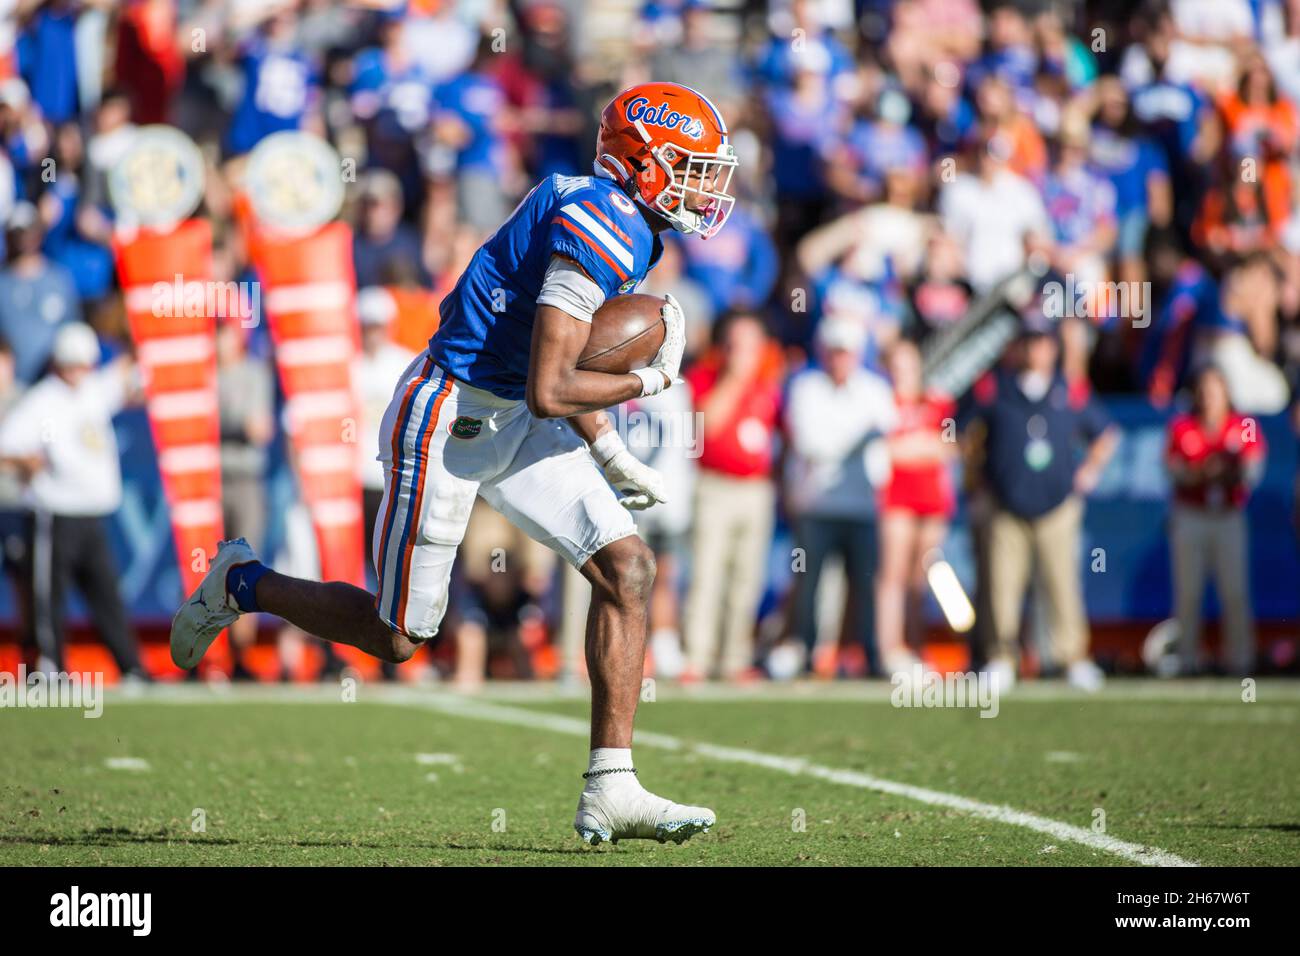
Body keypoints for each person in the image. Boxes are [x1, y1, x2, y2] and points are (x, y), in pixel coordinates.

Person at [172, 82, 738, 846]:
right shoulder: (600, 220)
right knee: (400, 635)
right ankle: (242, 582)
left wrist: (607, 448)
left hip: (509, 410)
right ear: (643, 162)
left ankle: (612, 786)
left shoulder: (617, 214)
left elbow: (552, 366)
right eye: (692, 166)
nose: (707, 185)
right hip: (449, 415)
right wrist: (654, 378)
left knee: (627, 569)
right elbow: (550, 386)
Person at [968, 316, 1118, 692]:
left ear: (1053, 348)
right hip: (1006, 505)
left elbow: (1106, 433)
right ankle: (1001, 658)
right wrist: (976, 482)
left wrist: (1089, 471)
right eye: (1029, 342)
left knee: (1062, 584)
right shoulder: (995, 390)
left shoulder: (1071, 391)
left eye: (1043, 343)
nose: (1036, 350)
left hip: (1058, 506)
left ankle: (1072, 657)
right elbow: (965, 434)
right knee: (1001, 587)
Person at [0, 323, 147, 680]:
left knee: (106, 595)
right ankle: (50, 667)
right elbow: (7, 446)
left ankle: (131, 667)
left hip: (92, 516)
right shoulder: (43, 400)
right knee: (49, 598)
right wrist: (27, 463)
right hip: (56, 513)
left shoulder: (93, 391)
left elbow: (130, 376)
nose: (78, 371)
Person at [783, 318, 896, 675]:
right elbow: (809, 444)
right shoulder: (806, 387)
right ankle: (805, 651)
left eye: (846, 352)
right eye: (834, 351)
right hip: (816, 505)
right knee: (809, 584)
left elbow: (886, 438)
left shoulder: (875, 389)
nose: (840, 359)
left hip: (862, 506)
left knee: (865, 584)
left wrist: (850, 443)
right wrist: (859, 440)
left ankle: (868, 655)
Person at [681, 311, 782, 681]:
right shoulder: (705, 378)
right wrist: (735, 379)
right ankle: (697, 656)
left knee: (746, 579)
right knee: (706, 573)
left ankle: (734, 658)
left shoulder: (769, 384)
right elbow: (708, 426)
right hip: (714, 487)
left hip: (756, 489)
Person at [1165, 364, 1265, 675]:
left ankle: (1240, 661)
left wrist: (1227, 472)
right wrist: (1200, 473)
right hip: (1191, 514)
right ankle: (1187, 660)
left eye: (1215, 390)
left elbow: (1252, 469)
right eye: (1204, 390)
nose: (1209, 397)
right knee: (1188, 591)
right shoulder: (1183, 427)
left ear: (1226, 393)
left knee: (1234, 591)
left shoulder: (1243, 425)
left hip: (1228, 515)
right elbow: (1173, 469)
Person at [876, 339, 956, 677]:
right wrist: (921, 447)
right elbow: (886, 451)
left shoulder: (937, 402)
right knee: (892, 574)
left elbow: (950, 448)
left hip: (932, 499)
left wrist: (915, 447)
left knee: (920, 579)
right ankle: (890, 650)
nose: (902, 373)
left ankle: (916, 647)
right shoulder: (881, 402)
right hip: (896, 497)